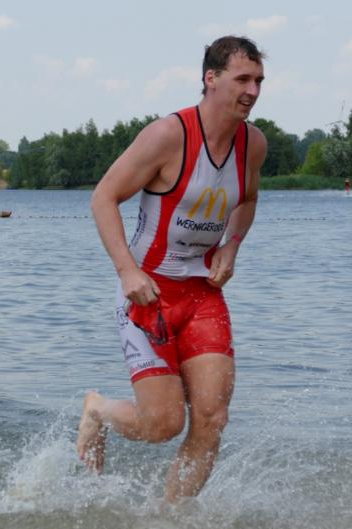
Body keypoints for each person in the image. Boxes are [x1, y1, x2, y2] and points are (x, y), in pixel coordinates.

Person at [77, 35, 268, 503]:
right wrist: (127, 271)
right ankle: (98, 410)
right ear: (211, 78)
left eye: (259, 81)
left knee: (212, 420)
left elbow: (247, 199)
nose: (252, 91)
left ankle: (172, 519)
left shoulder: (253, 144)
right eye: (242, 79)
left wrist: (232, 245)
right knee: (163, 424)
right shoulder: (168, 135)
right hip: (149, 295)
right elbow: (104, 197)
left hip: (203, 295)